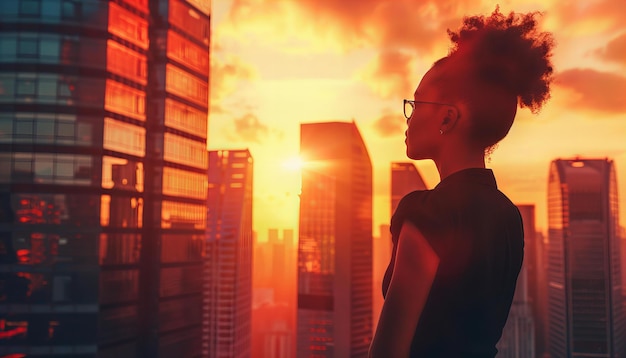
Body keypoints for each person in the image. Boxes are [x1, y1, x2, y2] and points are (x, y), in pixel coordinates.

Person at [369, 8, 554, 358]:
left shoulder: (429, 214)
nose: (407, 116)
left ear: (447, 117)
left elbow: (387, 351)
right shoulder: (509, 217)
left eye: (417, 101)